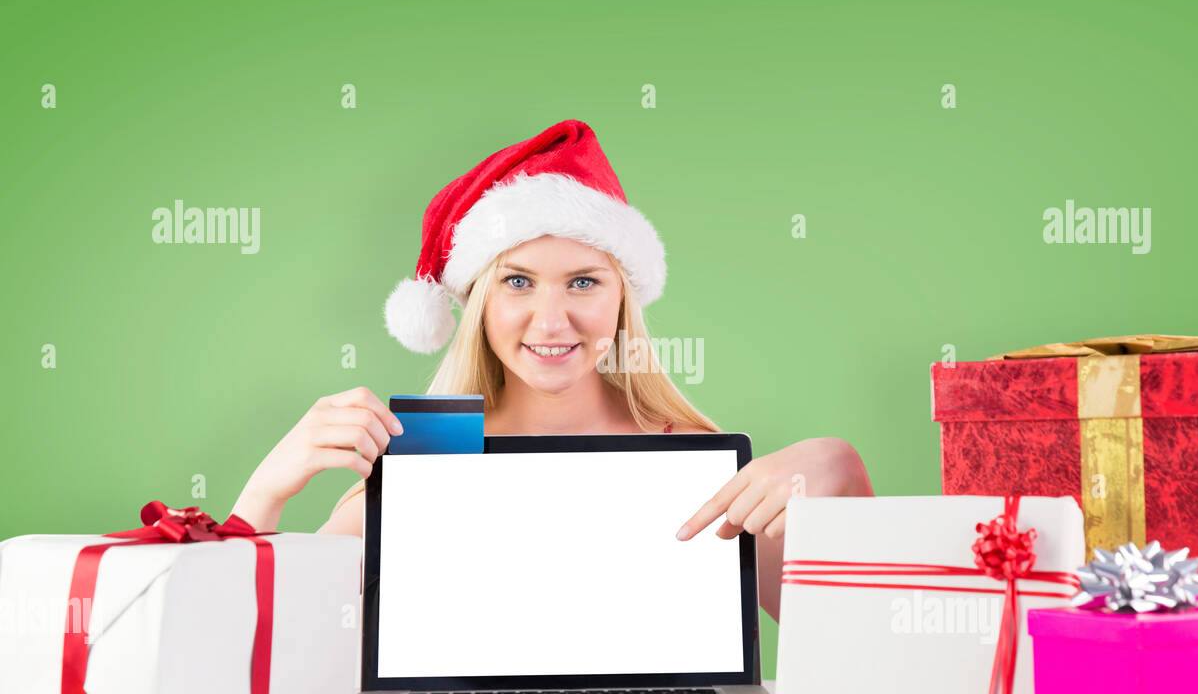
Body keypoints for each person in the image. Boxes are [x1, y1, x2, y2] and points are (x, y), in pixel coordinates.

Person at [231, 120, 872, 622]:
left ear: (622, 296)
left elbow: (861, 658)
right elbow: (259, 651)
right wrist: (264, 493)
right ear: (481, 302)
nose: (551, 321)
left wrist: (843, 475)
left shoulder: (696, 467)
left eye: (583, 282)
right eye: (517, 282)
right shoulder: (421, 467)